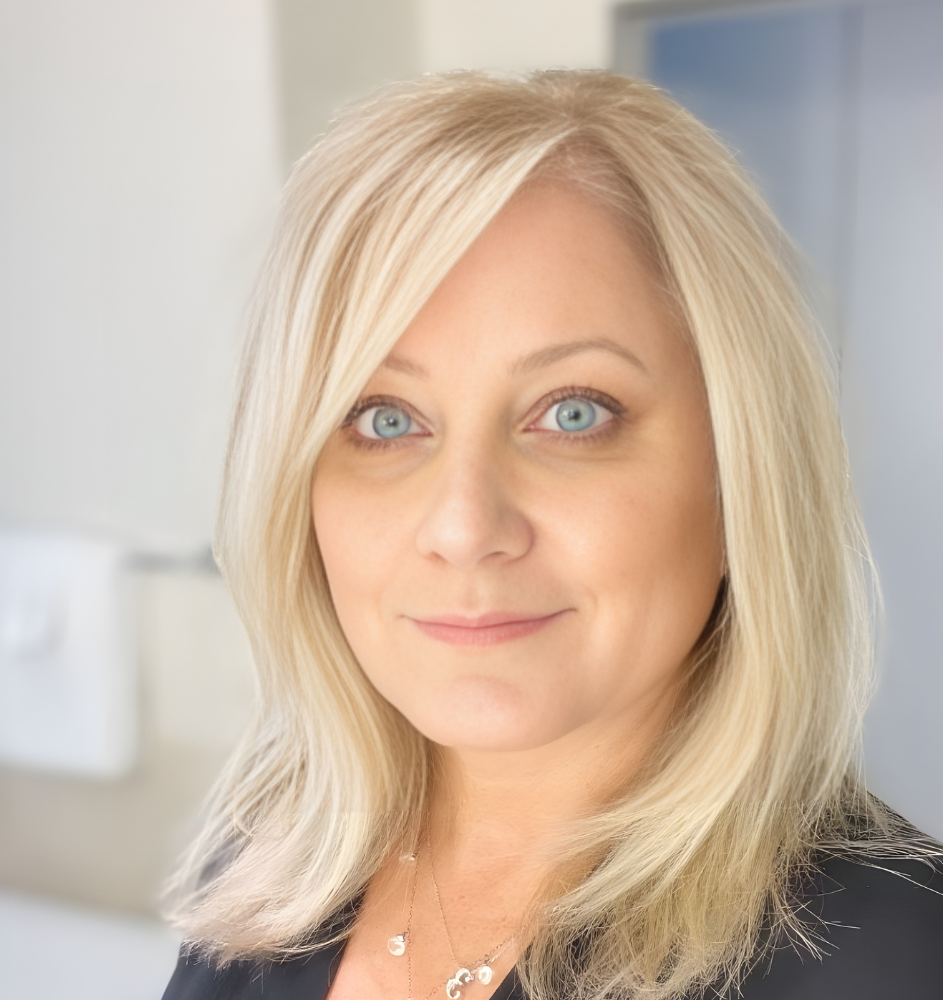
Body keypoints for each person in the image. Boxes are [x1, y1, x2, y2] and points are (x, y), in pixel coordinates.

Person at [161, 70, 943, 1000]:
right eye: (382, 419)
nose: (461, 527)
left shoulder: (893, 958)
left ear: (742, 472)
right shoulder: (269, 866)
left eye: (572, 414)